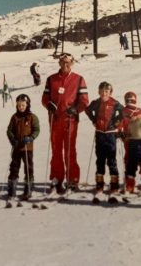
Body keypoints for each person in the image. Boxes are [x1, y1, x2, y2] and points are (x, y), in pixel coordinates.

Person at [41, 53, 89, 193]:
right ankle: (57, 177)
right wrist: (48, 105)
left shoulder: (79, 79)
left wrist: (75, 109)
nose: (65, 65)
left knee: (70, 150)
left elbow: (84, 101)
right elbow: (45, 98)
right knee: (56, 150)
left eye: (68, 62)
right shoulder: (51, 79)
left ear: (72, 63)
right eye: (62, 62)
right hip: (55, 120)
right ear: (59, 63)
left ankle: (72, 179)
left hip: (70, 120)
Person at [85, 82, 123, 196]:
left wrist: (116, 122)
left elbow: (123, 112)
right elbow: (87, 110)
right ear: (98, 91)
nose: (104, 93)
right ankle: (99, 184)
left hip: (111, 134)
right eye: (101, 91)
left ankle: (114, 184)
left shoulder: (114, 103)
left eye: (106, 91)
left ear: (110, 92)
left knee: (111, 159)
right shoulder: (96, 103)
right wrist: (93, 120)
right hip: (100, 133)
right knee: (100, 159)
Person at [6, 94, 40, 200]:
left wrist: (30, 138)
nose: (21, 107)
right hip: (16, 147)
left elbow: (36, 130)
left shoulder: (32, 117)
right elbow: (9, 131)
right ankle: (12, 189)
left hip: (27, 147)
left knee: (28, 167)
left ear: (27, 105)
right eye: (19, 105)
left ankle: (28, 188)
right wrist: (13, 140)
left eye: (23, 105)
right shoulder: (14, 117)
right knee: (14, 167)